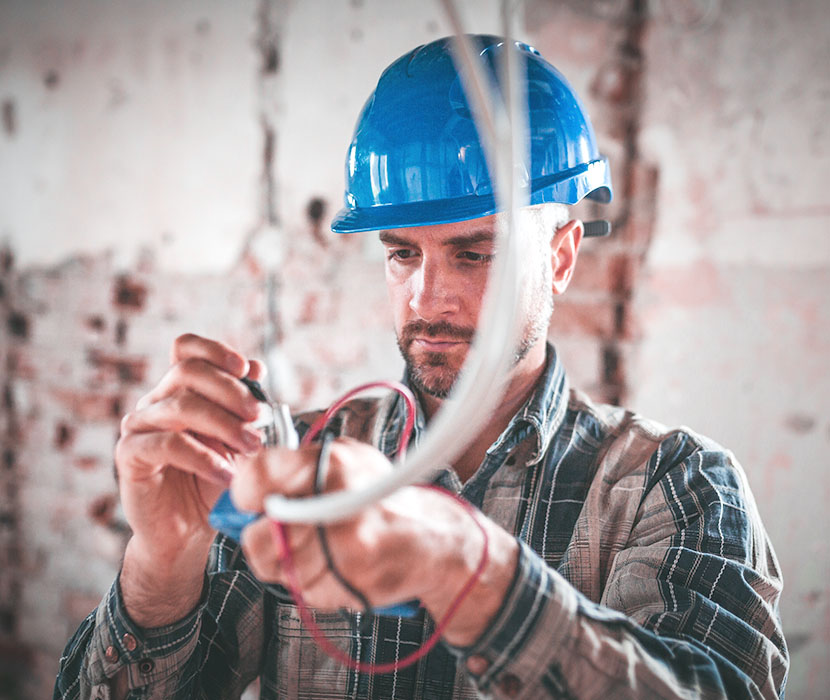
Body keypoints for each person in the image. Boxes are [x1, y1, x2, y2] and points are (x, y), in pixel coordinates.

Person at [54, 35, 787, 699]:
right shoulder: (295, 468)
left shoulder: (675, 487)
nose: (427, 298)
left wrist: (462, 566)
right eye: (402, 252)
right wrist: (160, 566)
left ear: (561, 256)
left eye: (475, 253)